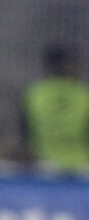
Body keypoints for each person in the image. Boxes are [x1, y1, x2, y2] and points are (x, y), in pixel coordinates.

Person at [22, 44, 89, 172]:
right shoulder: (83, 94)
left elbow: (25, 134)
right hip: (81, 164)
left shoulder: (34, 93)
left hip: (44, 164)